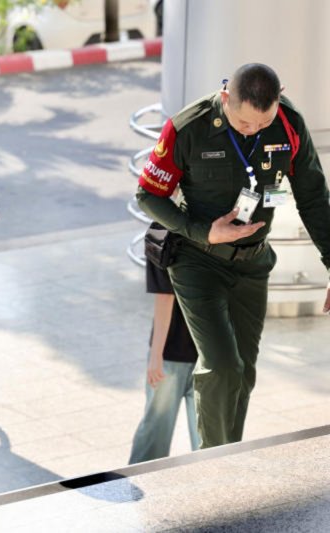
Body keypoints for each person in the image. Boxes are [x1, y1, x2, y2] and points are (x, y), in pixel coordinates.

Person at [136, 63, 330, 449]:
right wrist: (202, 231)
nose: (253, 129)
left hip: (253, 264)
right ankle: (215, 464)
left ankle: (230, 456)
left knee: (243, 374)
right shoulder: (188, 127)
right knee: (222, 367)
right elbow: (148, 196)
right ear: (226, 97)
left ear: (279, 98)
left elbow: (313, 197)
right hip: (197, 260)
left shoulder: (288, 123)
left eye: (262, 123)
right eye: (243, 122)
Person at [128, 239, 199, 464]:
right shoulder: (213, 225)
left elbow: (165, 296)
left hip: (171, 353)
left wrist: (156, 355)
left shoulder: (160, 233)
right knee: (208, 440)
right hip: (210, 349)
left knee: (154, 435)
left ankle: (139, 480)